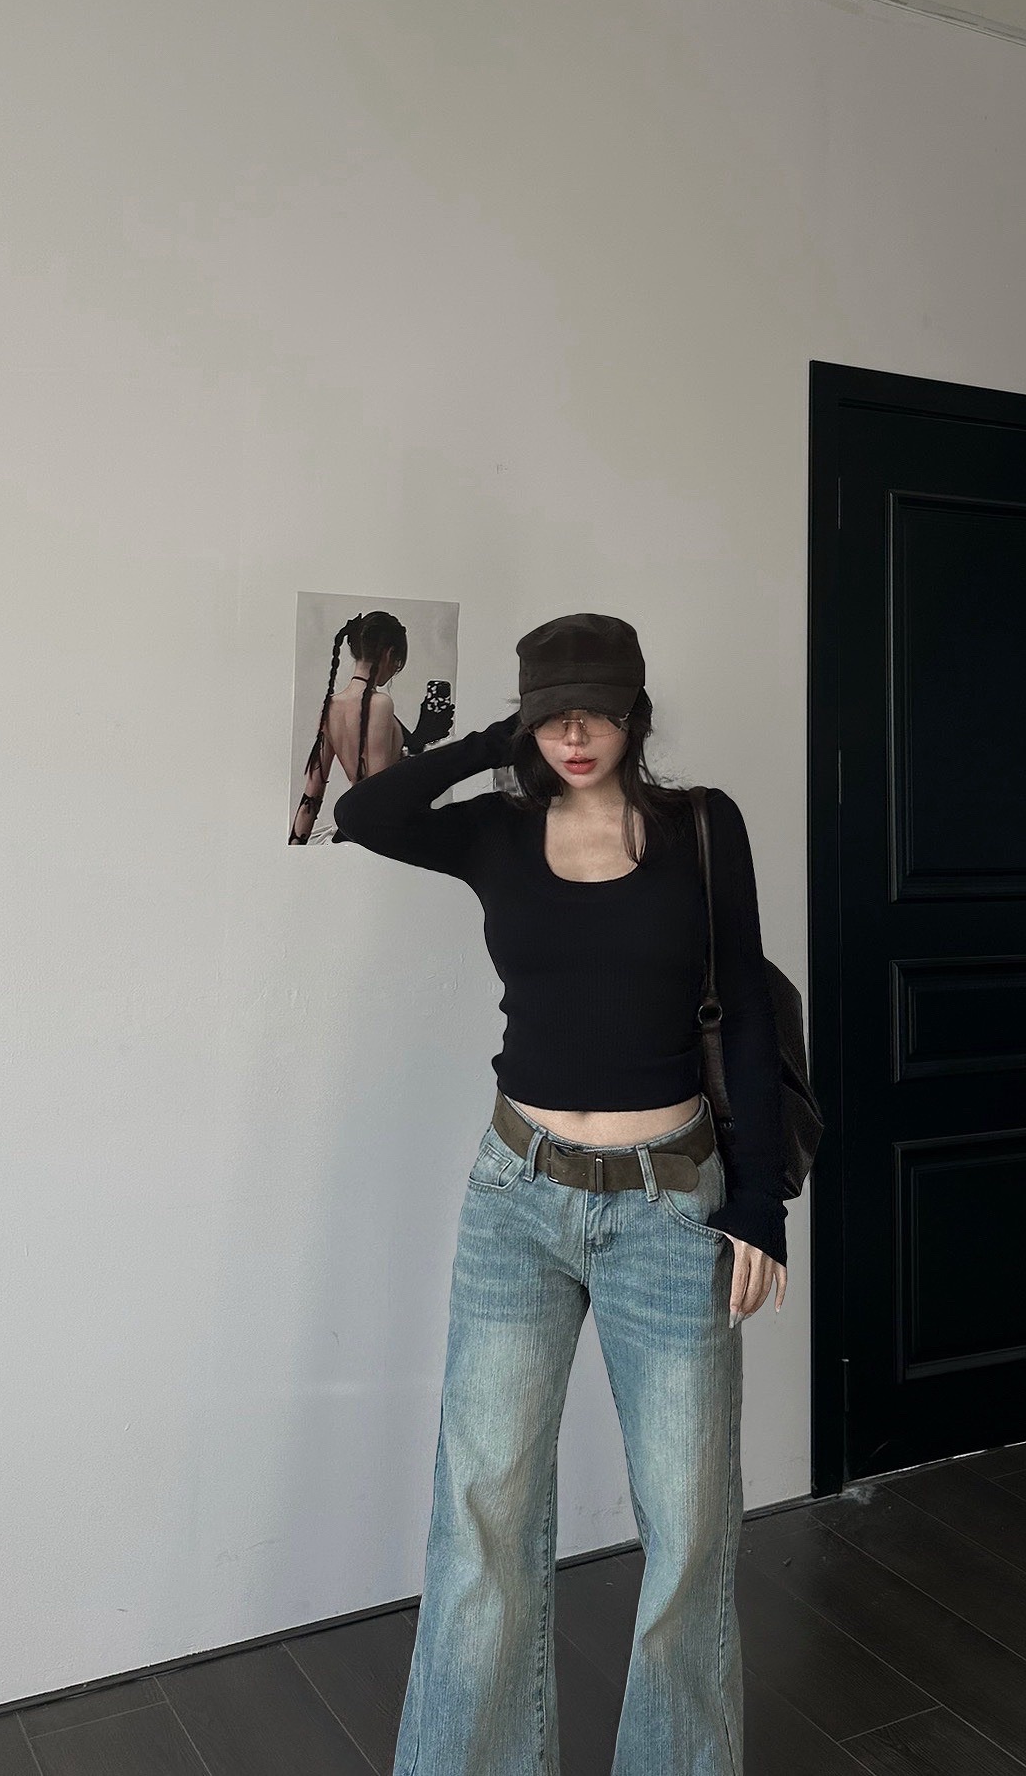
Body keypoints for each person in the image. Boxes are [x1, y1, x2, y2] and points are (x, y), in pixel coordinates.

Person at [333, 611, 787, 1776]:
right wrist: (496, 738)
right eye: (552, 714)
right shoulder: (494, 828)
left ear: (636, 710)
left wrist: (759, 1205)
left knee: (689, 1526)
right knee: (480, 1511)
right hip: (516, 1197)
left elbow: (744, 1000)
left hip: (671, 1205)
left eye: (597, 710)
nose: (575, 735)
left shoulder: (701, 825)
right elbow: (367, 811)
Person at [290, 610, 454, 843]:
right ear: (389, 654)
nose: (394, 669)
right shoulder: (380, 704)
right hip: (378, 837)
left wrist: (294, 849)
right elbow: (380, 790)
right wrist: (421, 740)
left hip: (351, 832)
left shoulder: (331, 707)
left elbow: (312, 795)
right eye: (397, 662)